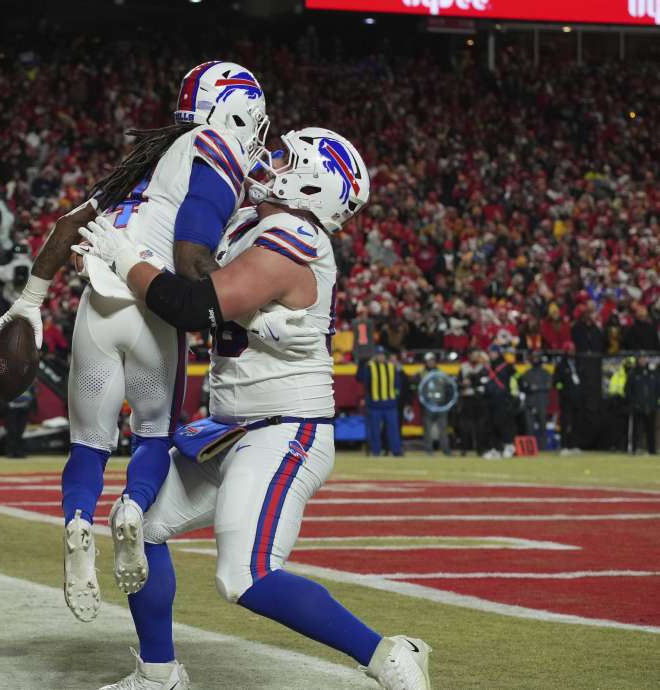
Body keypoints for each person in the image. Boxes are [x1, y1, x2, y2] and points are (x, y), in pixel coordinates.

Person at [77, 128, 430, 690]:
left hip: (285, 427)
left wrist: (124, 259)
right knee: (138, 527)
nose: (272, 160)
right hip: (230, 426)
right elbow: (187, 261)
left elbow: (192, 305)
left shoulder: (295, 235)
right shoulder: (250, 222)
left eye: (289, 158)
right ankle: (159, 674)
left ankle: (388, 654)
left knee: (245, 574)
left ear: (312, 185)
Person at [0, 61, 269, 621]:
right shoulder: (218, 147)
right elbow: (192, 258)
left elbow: (67, 226)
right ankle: (133, 508)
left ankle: (76, 523)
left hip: (97, 305)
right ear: (235, 111)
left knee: (88, 443)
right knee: (152, 436)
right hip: (152, 307)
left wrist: (29, 301)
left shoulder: (144, 162)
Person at [357, 347, 403, 457]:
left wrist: (394, 398)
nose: (381, 357)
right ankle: (376, 451)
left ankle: (396, 451)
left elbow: (398, 385)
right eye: (379, 354)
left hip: (390, 405)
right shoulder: (369, 367)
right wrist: (361, 362)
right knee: (374, 430)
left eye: (382, 354)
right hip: (374, 405)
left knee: (393, 430)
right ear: (375, 356)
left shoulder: (392, 367)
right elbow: (361, 379)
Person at [483, 346, 519, 459]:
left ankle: (509, 446)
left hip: (503, 399)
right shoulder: (487, 367)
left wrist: (515, 394)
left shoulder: (507, 366)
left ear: (498, 353)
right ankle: (495, 449)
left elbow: (517, 378)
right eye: (490, 352)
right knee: (491, 425)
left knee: (503, 424)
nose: (491, 354)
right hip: (490, 399)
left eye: (493, 352)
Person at [416, 352, 453, 456]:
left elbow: (448, 387)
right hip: (427, 405)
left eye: (432, 360)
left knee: (443, 429)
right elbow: (416, 388)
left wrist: (446, 402)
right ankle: (428, 450)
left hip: (441, 405)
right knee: (427, 429)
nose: (431, 362)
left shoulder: (441, 373)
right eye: (429, 361)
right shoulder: (421, 373)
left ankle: (446, 450)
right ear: (425, 362)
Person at [553, 343, 585, 456]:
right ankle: (564, 446)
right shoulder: (561, 365)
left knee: (577, 423)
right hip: (566, 399)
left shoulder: (578, 363)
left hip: (577, 398)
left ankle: (574, 445)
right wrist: (563, 391)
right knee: (565, 423)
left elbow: (582, 379)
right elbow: (556, 382)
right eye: (570, 350)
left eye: (573, 350)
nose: (572, 352)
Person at [457, 351, 491, 456]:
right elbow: (458, 382)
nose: (474, 357)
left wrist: (474, 381)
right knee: (465, 426)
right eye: (472, 355)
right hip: (467, 398)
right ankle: (464, 448)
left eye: (476, 355)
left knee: (480, 425)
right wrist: (463, 384)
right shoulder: (463, 367)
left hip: (479, 399)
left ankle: (480, 449)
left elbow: (485, 382)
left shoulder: (483, 367)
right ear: (469, 356)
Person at [625, 357, 659, 455]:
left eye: (645, 358)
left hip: (650, 407)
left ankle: (652, 450)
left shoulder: (653, 374)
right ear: (638, 360)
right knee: (635, 430)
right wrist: (633, 403)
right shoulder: (633, 374)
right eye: (641, 358)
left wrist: (654, 402)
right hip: (637, 407)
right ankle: (633, 449)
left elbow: (657, 389)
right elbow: (627, 390)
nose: (643, 361)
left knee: (651, 430)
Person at [517, 353, 552, 444]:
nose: (535, 360)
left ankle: (543, 446)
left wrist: (536, 387)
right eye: (534, 358)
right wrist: (530, 388)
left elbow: (549, 386)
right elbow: (522, 386)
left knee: (542, 424)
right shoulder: (527, 373)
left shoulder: (546, 372)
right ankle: (530, 446)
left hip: (541, 401)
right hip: (530, 401)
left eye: (537, 358)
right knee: (529, 426)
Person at [2, 383, 36, 459]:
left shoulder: (29, 381)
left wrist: (29, 405)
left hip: (24, 409)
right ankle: (10, 452)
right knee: (12, 430)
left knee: (21, 431)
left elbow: (33, 395)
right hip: (12, 410)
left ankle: (20, 452)